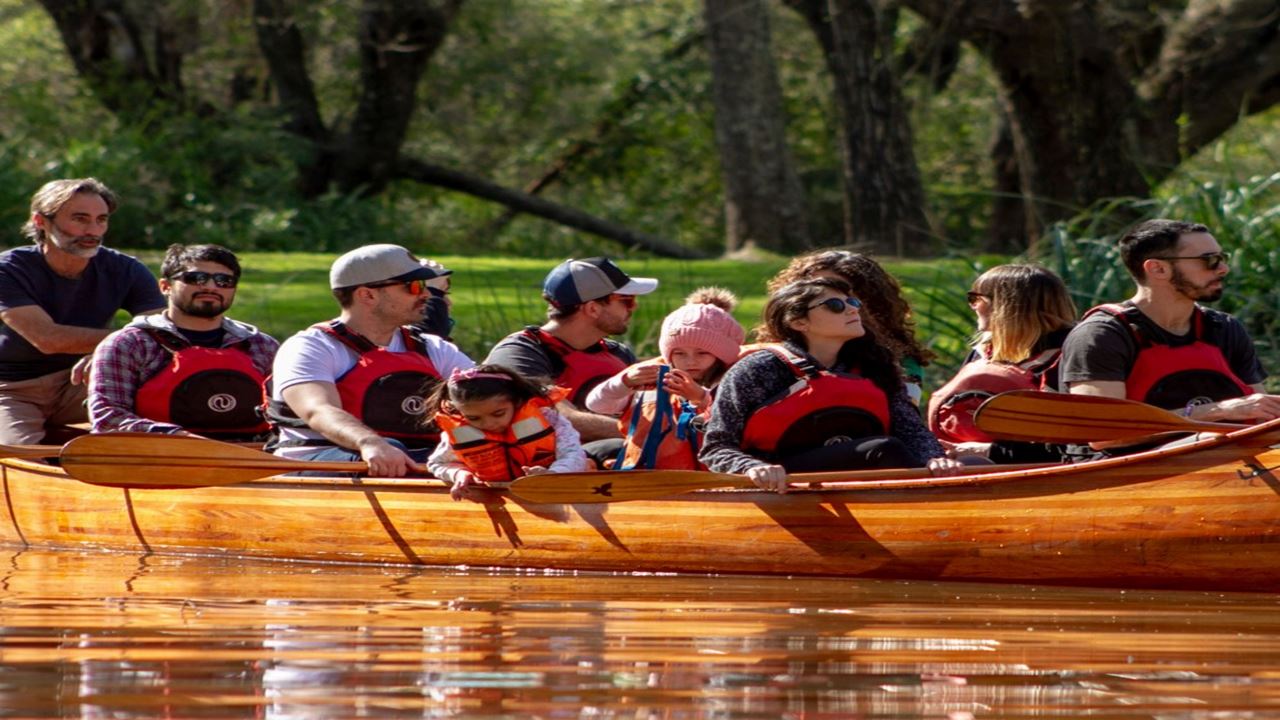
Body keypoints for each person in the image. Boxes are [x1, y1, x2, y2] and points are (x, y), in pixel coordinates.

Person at [700, 277, 963, 493]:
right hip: (779, 481)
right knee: (884, 448)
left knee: (969, 462)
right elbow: (717, 446)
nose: (852, 309)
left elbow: (910, 429)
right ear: (799, 322)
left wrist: (933, 459)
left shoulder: (874, 365)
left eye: (853, 301)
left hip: (856, 475)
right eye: (835, 305)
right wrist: (750, 467)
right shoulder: (760, 369)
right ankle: (933, 502)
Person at [1059, 218, 1280, 455]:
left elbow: (1262, 417)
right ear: (1158, 269)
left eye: (1222, 258)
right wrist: (1216, 411)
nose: (1222, 268)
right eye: (1209, 260)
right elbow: (1104, 435)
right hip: (1121, 474)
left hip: (1222, 463)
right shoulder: (1102, 335)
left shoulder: (1224, 328)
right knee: (1209, 440)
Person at [266, 244, 474, 476]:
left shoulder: (434, 348)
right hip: (320, 462)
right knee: (393, 452)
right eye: (413, 286)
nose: (425, 294)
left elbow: (485, 391)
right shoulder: (310, 347)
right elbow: (318, 410)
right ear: (367, 295)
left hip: (411, 458)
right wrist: (369, 443)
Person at [0, 177, 166, 444]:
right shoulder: (9, 269)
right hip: (14, 389)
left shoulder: (125, 269)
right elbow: (48, 339)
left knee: (167, 409)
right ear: (41, 221)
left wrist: (103, 355)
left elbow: (164, 331)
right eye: (80, 219)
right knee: (19, 457)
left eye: (101, 220)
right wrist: (115, 344)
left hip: (89, 381)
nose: (93, 230)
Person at [87, 244, 279, 440]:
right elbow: (108, 419)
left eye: (224, 281)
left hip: (252, 459)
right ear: (165, 286)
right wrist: (182, 439)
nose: (210, 287)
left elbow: (286, 413)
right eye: (196, 278)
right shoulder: (129, 344)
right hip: (163, 460)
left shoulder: (262, 346)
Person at [484, 256, 657, 466]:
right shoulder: (520, 353)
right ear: (592, 308)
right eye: (626, 300)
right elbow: (559, 417)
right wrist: (647, 434)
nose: (634, 307)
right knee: (624, 446)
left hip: (619, 459)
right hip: (552, 465)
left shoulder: (618, 353)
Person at [928, 264, 1076, 463]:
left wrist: (990, 451)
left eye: (975, 299)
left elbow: (1073, 444)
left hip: (1037, 470)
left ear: (1006, 306)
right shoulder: (983, 351)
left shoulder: (1070, 355)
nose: (972, 306)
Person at [586, 287, 744, 470]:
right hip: (652, 478)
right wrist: (625, 382)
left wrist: (701, 398)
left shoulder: (738, 380)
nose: (690, 361)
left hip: (716, 480)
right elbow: (597, 404)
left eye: (702, 353)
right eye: (679, 353)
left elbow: (747, 425)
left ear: (722, 356)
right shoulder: (652, 378)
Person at [767, 249, 934, 406]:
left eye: (843, 298)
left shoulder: (897, 364)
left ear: (872, 305)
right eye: (812, 290)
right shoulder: (765, 360)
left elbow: (906, 425)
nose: (849, 308)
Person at [427, 364, 590, 499]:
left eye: (498, 414)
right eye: (474, 418)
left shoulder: (550, 419)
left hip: (551, 495)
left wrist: (552, 475)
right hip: (497, 498)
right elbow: (438, 463)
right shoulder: (458, 433)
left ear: (516, 401)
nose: (488, 424)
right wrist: (459, 474)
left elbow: (574, 455)